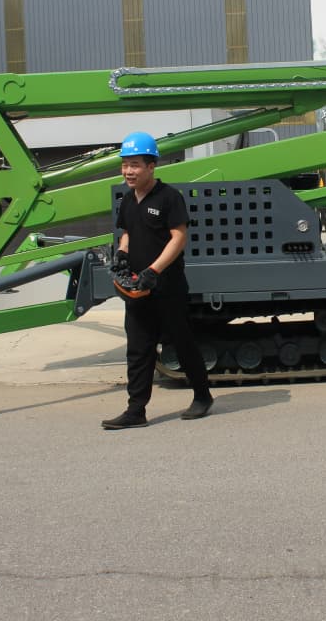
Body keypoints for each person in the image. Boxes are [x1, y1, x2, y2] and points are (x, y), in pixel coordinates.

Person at [101, 131, 213, 430]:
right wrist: (122, 255)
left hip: (167, 287)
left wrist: (154, 270)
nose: (128, 171)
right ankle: (135, 411)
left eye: (135, 165)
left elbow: (179, 238)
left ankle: (202, 396)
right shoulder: (127, 200)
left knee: (182, 343)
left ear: (151, 166)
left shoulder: (169, 197)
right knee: (138, 349)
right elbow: (126, 232)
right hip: (137, 289)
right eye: (125, 164)